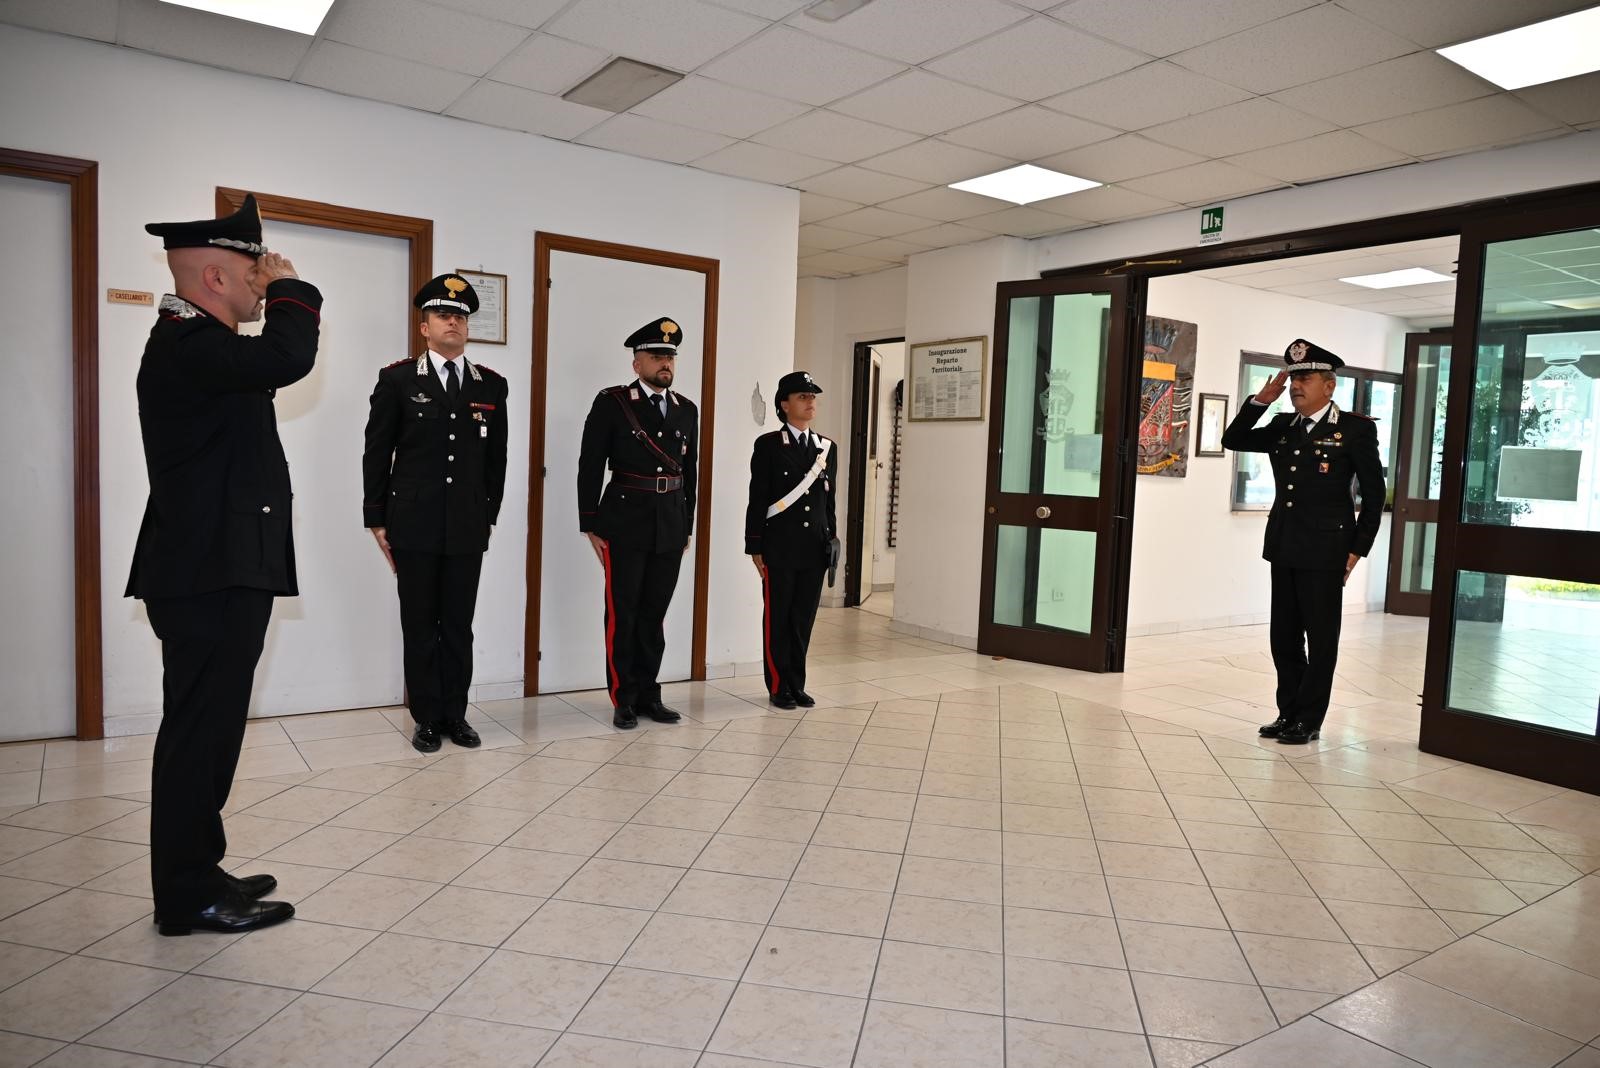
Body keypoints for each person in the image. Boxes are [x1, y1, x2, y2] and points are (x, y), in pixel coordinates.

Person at [128, 194, 314, 935]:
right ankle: (186, 894)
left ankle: (198, 869)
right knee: (199, 735)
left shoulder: (199, 342)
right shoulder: (188, 342)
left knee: (208, 732)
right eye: (251, 270)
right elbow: (288, 355)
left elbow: (265, 360)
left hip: (216, 566)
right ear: (214, 277)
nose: (261, 283)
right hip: (209, 573)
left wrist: (273, 294)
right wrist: (295, 287)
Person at [363, 274, 509, 753]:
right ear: (424, 325)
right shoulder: (399, 379)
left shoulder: (492, 384)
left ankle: (456, 714)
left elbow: (497, 460)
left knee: (459, 624)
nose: (454, 322)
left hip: (466, 526)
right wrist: (377, 517)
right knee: (421, 623)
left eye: (462, 316)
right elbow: (376, 451)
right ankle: (426, 717)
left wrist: (488, 515)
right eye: (444, 314)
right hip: (414, 523)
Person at [1222, 338, 1386, 746]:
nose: (1296, 386)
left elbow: (1374, 494)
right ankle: (1288, 712)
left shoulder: (1355, 429)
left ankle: (1310, 719)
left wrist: (1356, 550)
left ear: (1328, 386)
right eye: (1293, 378)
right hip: (1285, 545)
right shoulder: (1280, 427)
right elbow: (1234, 438)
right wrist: (1260, 400)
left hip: (1328, 550)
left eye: (1305, 378)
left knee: (1321, 637)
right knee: (1284, 636)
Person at [577, 317, 699, 729]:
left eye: (670, 356)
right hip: (625, 521)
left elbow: (690, 470)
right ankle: (623, 697)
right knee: (623, 613)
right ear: (637, 363)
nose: (665, 363)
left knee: (655, 614)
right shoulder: (613, 403)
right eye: (656, 356)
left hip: (669, 523)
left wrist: (688, 524)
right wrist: (589, 522)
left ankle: (649, 693)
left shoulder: (687, 410)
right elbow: (590, 464)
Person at [746, 371, 837, 710]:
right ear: (784, 405)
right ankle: (778, 685)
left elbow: (830, 502)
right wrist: (754, 545)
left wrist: (832, 539)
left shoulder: (827, 448)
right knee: (778, 617)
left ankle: (797, 684)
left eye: (812, 396)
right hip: (779, 547)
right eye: (802, 396)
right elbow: (758, 498)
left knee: (802, 619)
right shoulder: (769, 445)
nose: (810, 401)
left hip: (813, 548)